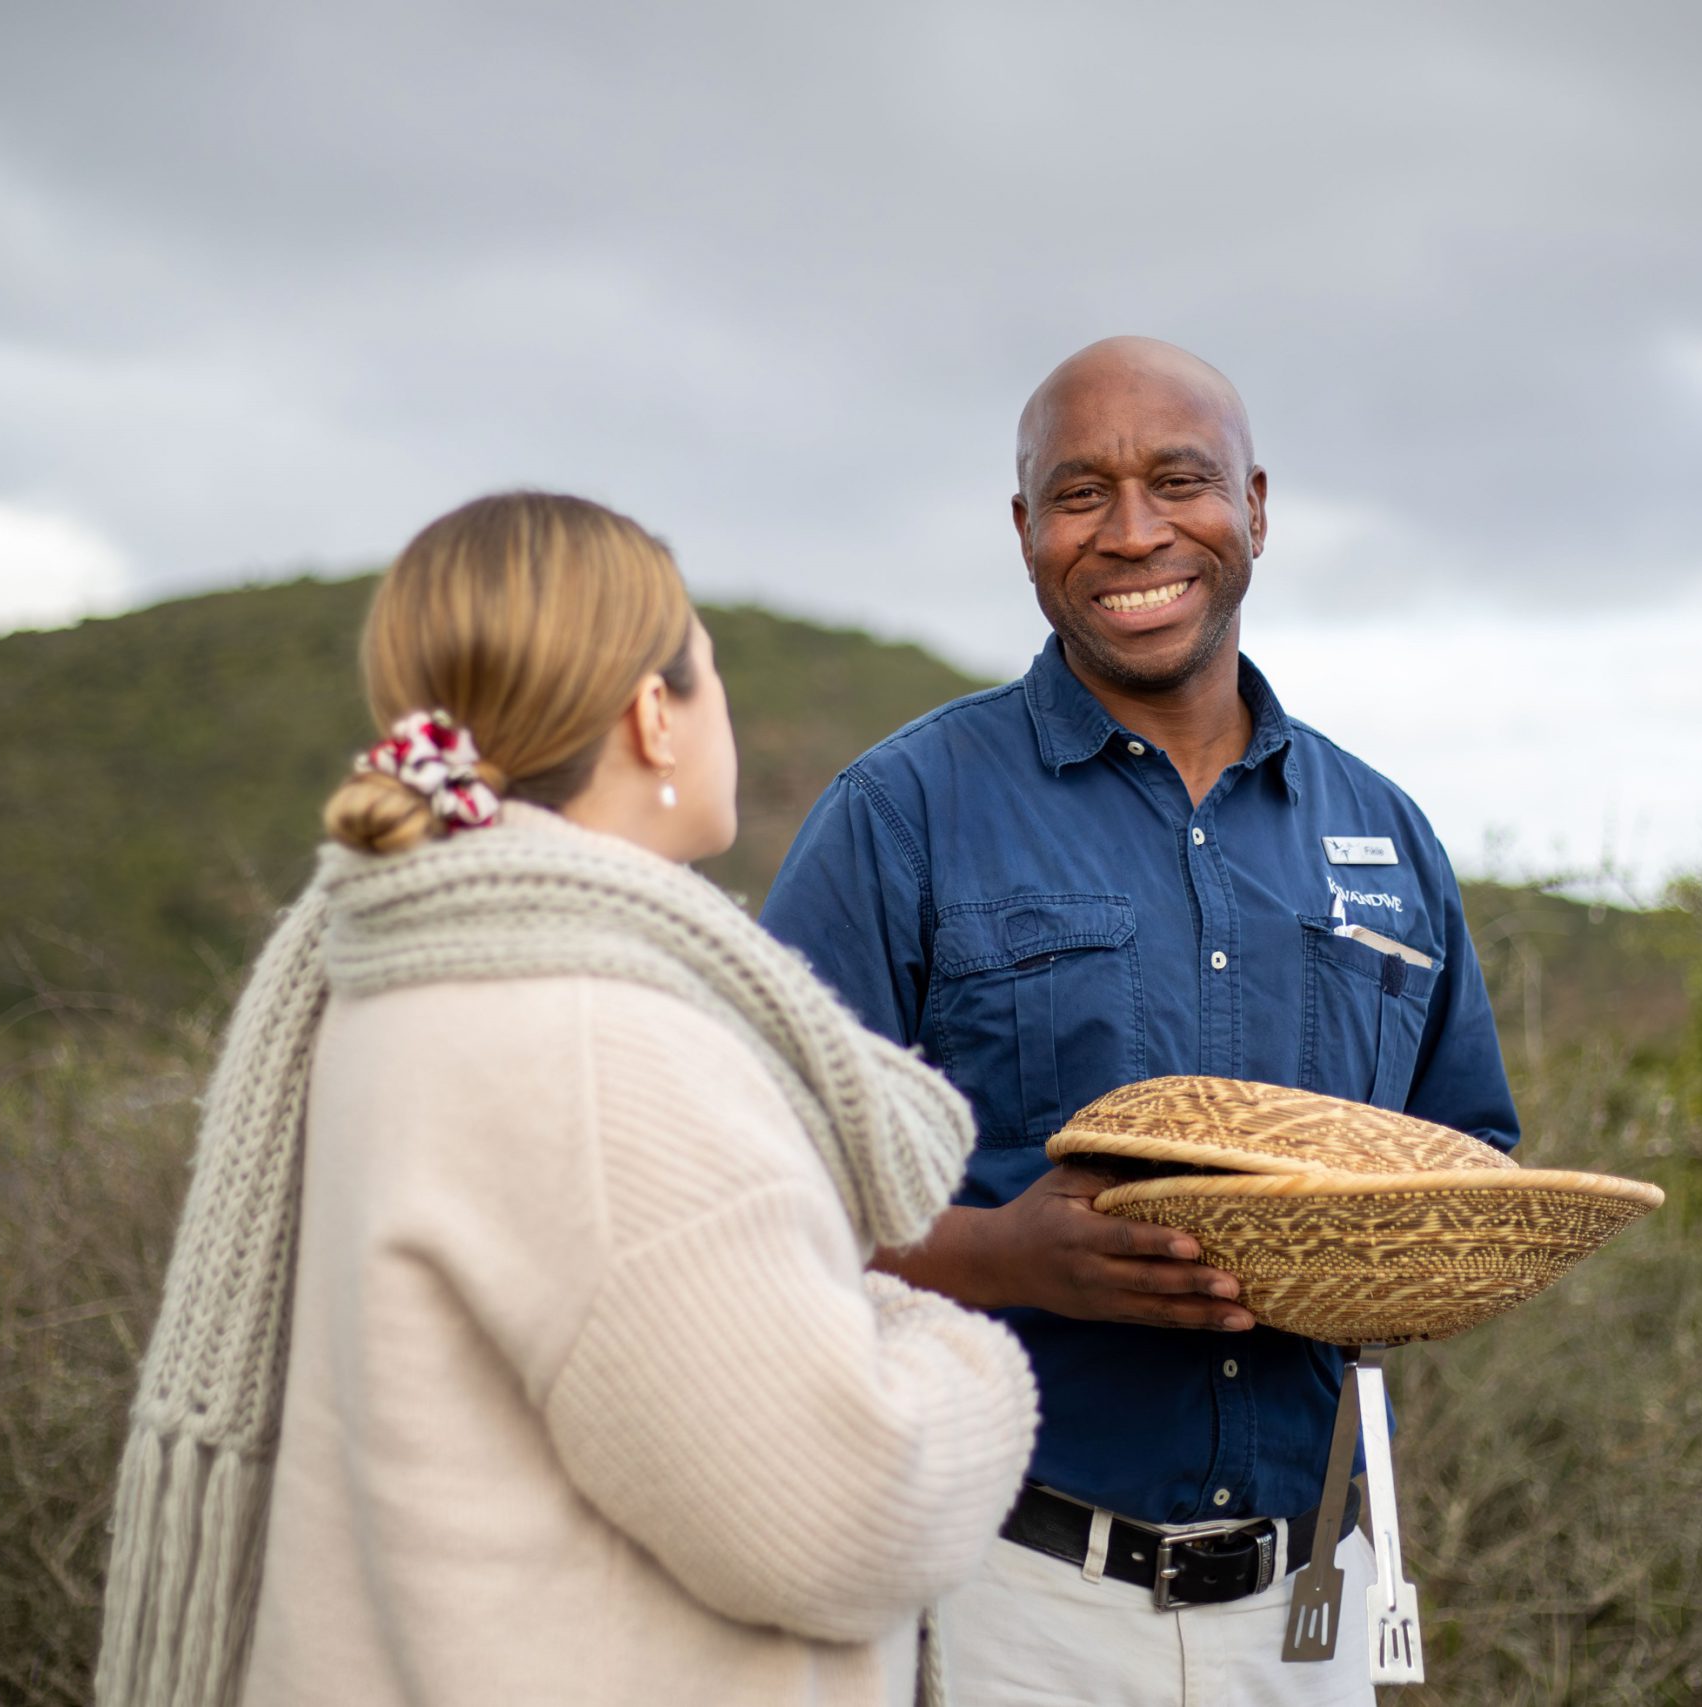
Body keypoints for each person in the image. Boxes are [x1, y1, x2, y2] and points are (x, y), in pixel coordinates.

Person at [95, 492, 1037, 1707]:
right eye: (709, 668)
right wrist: (943, 1344)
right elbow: (843, 1517)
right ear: (656, 714)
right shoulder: (609, 1047)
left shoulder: (379, 976)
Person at [759, 338, 1520, 1706]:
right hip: (1004, 1591)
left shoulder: (1385, 834)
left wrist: (1389, 1260)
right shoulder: (900, 816)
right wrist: (1001, 1255)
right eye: (1079, 493)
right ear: (1022, 528)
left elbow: (1469, 1160)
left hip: (1310, 1606)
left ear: (1258, 507)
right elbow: (749, 1194)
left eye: (1181, 480)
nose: (1133, 531)